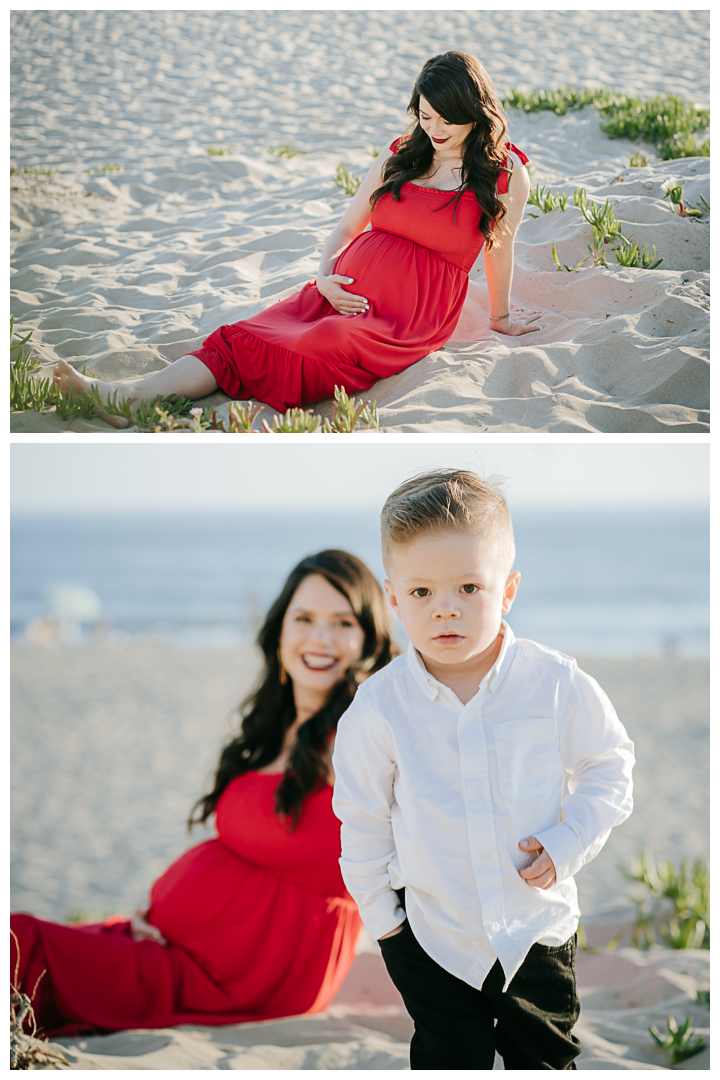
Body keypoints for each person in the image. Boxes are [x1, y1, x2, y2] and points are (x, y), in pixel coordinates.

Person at [11, 550, 397, 1037]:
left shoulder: (365, 735)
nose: (320, 638)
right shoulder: (276, 728)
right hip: (180, 949)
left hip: (249, 977)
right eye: (304, 618)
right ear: (280, 629)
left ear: (367, 637)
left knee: (21, 942)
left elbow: (441, 809)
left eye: (342, 622)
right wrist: (164, 913)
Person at [52, 51, 540, 427]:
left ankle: (154, 405)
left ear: (473, 111)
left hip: (407, 317)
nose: (433, 129)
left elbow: (501, 250)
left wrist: (500, 320)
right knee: (242, 337)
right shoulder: (399, 155)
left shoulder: (503, 176)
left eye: (445, 119)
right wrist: (324, 278)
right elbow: (347, 229)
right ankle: (127, 397)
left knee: (323, 341)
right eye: (424, 116)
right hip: (336, 292)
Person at [332, 471, 635, 1070]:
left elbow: (610, 767)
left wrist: (569, 839)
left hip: (537, 933)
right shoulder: (379, 707)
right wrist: (385, 926)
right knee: (448, 1060)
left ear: (509, 589)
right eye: (421, 593)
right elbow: (362, 820)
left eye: (470, 587)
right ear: (393, 598)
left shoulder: (554, 682)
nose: (445, 609)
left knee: (544, 1059)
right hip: (430, 937)